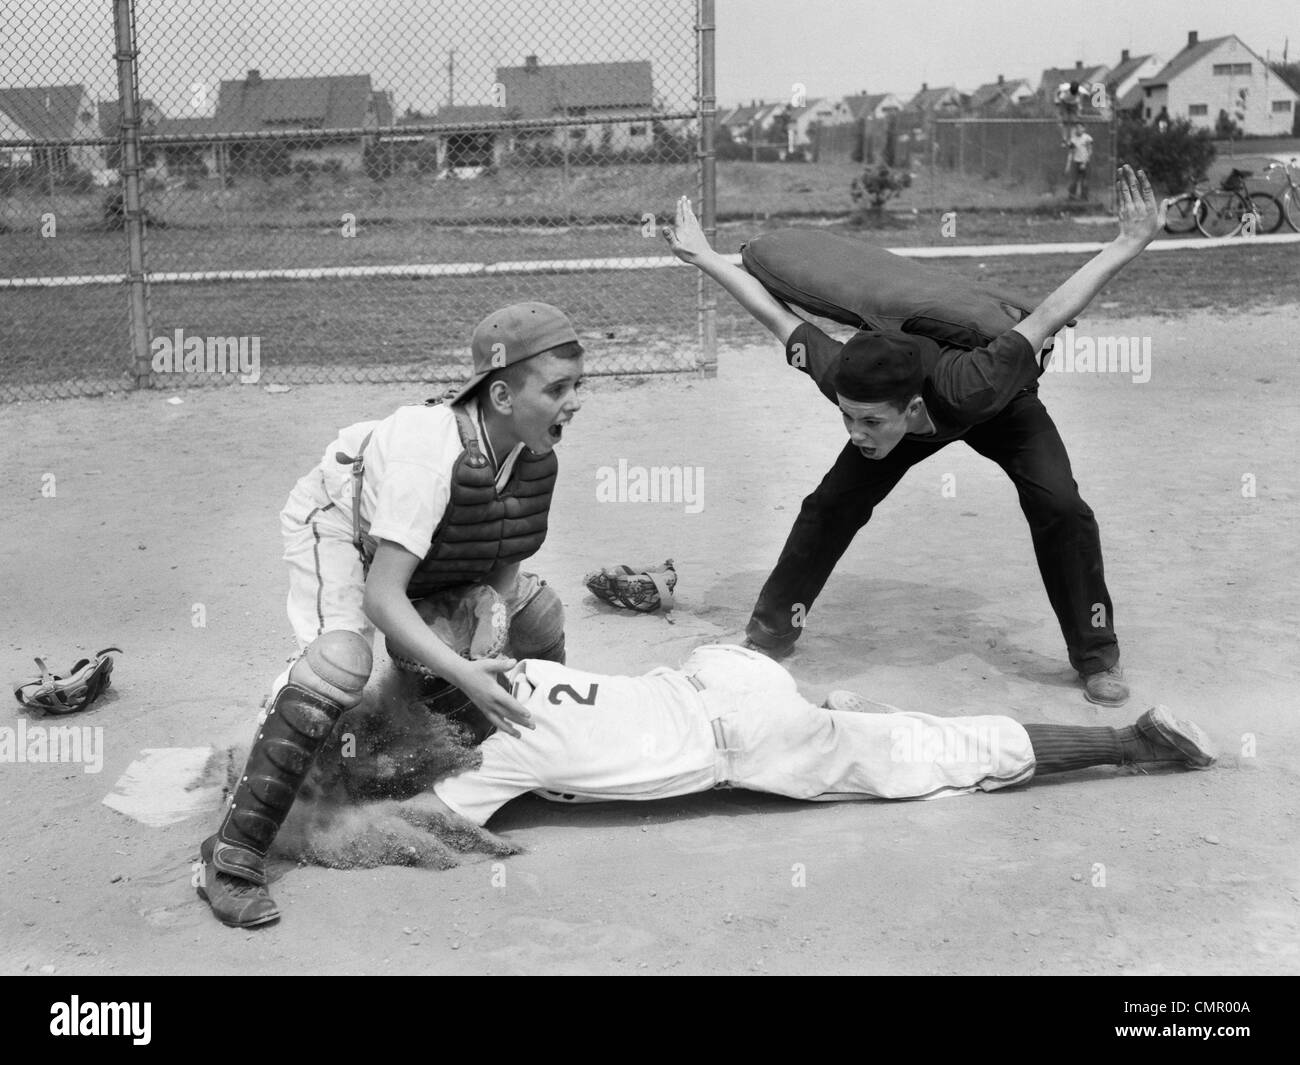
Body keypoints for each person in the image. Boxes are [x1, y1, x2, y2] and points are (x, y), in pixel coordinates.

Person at [661, 167, 1168, 708]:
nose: (856, 434)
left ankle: (1096, 656)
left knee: (1061, 506)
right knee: (828, 505)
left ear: (913, 409)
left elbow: (1048, 315)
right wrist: (706, 257)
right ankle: (769, 635)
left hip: (1002, 409)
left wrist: (1126, 243)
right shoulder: (845, 378)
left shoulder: (976, 384)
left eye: (869, 422)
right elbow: (773, 314)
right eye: (848, 418)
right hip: (905, 406)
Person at [197, 301, 585, 928]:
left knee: (534, 616)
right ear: (504, 396)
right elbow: (383, 597)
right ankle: (234, 853)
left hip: (412, 543)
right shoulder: (425, 461)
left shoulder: (533, 455)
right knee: (341, 664)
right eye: (558, 388)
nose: (574, 402)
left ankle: (486, 757)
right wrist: (461, 671)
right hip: (342, 529)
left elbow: (498, 563)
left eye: (577, 386)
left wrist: (482, 635)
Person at [403, 644, 1215, 830]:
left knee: (943, 753)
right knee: (858, 729)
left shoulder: (506, 752)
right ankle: (845, 715)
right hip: (723, 670)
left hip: (749, 736)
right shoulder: (524, 668)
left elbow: (428, 822)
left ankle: (1131, 744)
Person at [1066, 123, 1094, 201]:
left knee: (1084, 182)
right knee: (1073, 181)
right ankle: (1072, 199)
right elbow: (1071, 152)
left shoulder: (1087, 138)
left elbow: (1090, 151)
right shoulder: (1073, 139)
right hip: (1076, 163)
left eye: (1080, 128)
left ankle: (1084, 199)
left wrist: (1084, 163)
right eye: (1077, 128)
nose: (1078, 129)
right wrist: (1068, 165)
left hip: (1085, 163)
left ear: (1083, 129)